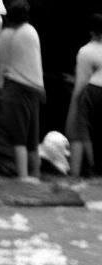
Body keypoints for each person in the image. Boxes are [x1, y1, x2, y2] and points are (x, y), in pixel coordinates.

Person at [0, 1, 44, 181]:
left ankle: (23, 177)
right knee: (33, 137)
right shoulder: (31, 32)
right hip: (35, 88)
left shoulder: (9, 34)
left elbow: (1, 66)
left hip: (17, 87)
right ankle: (36, 175)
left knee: (19, 135)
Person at [67, 14, 102, 179]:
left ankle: (90, 167)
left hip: (92, 90)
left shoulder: (86, 51)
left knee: (81, 129)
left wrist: (74, 103)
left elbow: (81, 82)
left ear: (91, 31)